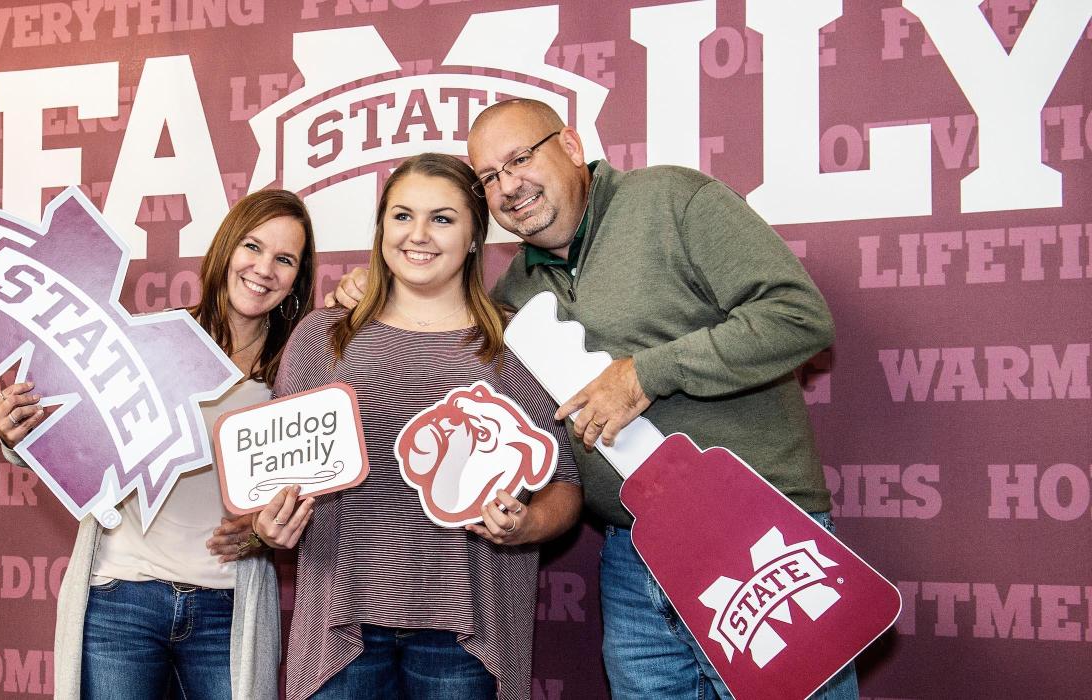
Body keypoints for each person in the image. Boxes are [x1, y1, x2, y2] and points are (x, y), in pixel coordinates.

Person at [327, 100, 857, 699]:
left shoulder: (670, 200)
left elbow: (798, 316)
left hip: (759, 533)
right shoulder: (516, 293)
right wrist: (374, 288)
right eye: (489, 177)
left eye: (519, 159)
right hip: (632, 555)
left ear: (572, 147)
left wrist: (646, 374)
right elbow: (447, 331)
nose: (508, 186)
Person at [261, 153, 581, 700]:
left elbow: (565, 484)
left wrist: (525, 524)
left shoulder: (514, 346)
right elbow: (273, 474)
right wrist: (268, 525)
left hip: (466, 636)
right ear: (381, 227)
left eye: (442, 219)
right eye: (403, 215)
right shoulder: (323, 336)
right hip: (342, 628)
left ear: (475, 237)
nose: (418, 235)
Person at [0, 189, 319, 700]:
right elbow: (72, 432)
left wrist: (261, 536)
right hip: (121, 598)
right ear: (226, 249)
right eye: (253, 247)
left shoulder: (296, 374)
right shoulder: (152, 339)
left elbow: (309, 495)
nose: (263, 269)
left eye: (285, 259)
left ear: (298, 278)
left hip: (226, 608)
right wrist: (16, 432)